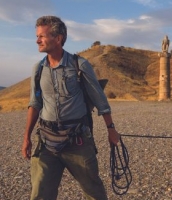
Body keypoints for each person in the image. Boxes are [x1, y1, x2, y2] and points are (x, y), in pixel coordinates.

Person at [21, 16, 120, 200]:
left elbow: (100, 100)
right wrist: (26, 137)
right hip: (46, 142)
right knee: (40, 194)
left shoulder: (80, 65)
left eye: (42, 36)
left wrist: (111, 129)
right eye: (37, 36)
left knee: (94, 192)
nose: (37, 40)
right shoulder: (38, 69)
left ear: (58, 38)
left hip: (78, 142)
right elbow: (35, 104)